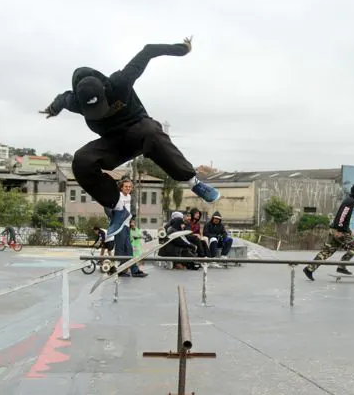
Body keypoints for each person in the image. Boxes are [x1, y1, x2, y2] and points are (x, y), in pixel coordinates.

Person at [39, 36, 220, 241]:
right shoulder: (75, 101)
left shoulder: (121, 81)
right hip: (114, 144)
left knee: (151, 131)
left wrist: (182, 49)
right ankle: (118, 209)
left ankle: (193, 181)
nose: (102, 114)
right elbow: (62, 99)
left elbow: (148, 50)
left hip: (140, 132)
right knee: (81, 160)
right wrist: (53, 109)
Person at [303, 184, 354, 281]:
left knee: (328, 251)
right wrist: (340, 230)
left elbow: (342, 217)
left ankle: (309, 269)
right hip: (339, 231)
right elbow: (342, 216)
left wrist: (345, 229)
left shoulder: (348, 200)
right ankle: (341, 266)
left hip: (336, 229)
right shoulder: (350, 201)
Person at [112, 179, 147, 277]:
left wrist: (131, 221)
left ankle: (133, 270)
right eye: (126, 186)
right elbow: (110, 208)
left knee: (129, 249)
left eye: (129, 187)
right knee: (120, 249)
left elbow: (129, 211)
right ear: (121, 187)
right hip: (120, 226)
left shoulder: (129, 196)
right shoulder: (118, 196)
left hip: (127, 226)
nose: (128, 188)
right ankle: (120, 270)